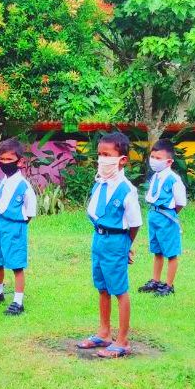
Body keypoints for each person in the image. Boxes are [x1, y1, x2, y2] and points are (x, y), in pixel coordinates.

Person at [76, 132, 142, 358]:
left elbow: (134, 224)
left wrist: (126, 245)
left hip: (116, 240)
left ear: (122, 159)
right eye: (100, 155)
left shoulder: (127, 189)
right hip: (99, 239)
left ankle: (122, 340)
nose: (102, 159)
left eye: (107, 155)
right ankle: (104, 333)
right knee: (102, 287)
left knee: (119, 290)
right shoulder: (99, 184)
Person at [0, 139, 37, 316]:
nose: (5, 163)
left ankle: (18, 302)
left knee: (16, 264)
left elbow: (30, 210)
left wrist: (19, 225)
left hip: (15, 227)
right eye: (1, 159)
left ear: (19, 162)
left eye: (9, 159)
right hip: (1, 224)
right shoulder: (2, 182)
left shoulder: (24, 186)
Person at [138, 139, 187, 297]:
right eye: (152, 157)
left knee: (171, 252)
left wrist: (170, 215)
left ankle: (168, 285)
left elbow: (180, 202)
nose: (154, 161)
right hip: (154, 215)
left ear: (169, 161)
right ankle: (155, 280)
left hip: (167, 217)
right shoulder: (155, 176)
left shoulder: (174, 179)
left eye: (158, 158)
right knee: (157, 251)